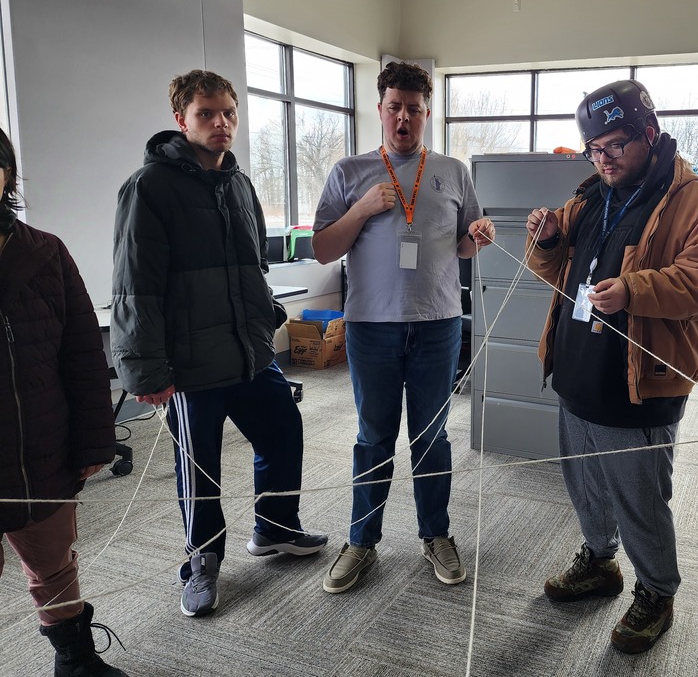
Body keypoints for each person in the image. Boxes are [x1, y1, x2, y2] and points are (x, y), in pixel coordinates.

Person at [525, 79, 698, 654]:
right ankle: (599, 561)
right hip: (577, 373)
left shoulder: (695, 203)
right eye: (594, 149)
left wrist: (633, 290)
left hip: (641, 383)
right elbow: (552, 271)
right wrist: (547, 240)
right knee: (586, 486)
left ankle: (657, 592)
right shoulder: (589, 197)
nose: (604, 159)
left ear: (649, 132)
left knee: (639, 499)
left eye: (616, 145)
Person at [110, 70, 327, 618]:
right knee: (199, 470)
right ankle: (202, 563)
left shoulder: (239, 184)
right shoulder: (148, 187)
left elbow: (253, 267)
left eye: (228, 112)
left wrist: (266, 317)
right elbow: (135, 285)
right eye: (206, 113)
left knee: (283, 432)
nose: (221, 122)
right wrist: (146, 370)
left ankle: (275, 528)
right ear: (181, 120)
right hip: (189, 364)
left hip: (249, 352)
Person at [312, 61, 493, 594]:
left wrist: (478, 237)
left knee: (431, 436)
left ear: (426, 113)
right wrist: (363, 209)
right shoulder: (349, 172)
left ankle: (435, 534)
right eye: (395, 107)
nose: (404, 118)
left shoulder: (453, 171)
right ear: (381, 109)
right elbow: (323, 248)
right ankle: (361, 541)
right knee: (374, 437)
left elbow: (464, 245)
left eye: (414, 109)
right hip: (372, 328)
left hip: (438, 324)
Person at [0, 128, 128, 675]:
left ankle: (75, 661)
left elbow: (82, 356)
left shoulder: (45, 252)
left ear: (6, 173)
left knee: (54, 565)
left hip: (41, 450)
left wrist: (95, 441)